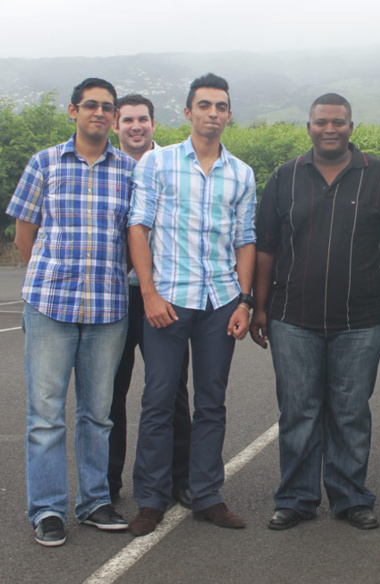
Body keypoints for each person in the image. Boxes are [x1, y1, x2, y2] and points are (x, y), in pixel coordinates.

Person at [251, 93, 380, 532]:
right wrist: (259, 306)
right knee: (298, 410)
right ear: (309, 127)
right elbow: (265, 247)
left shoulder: (379, 176)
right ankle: (296, 499)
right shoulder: (285, 177)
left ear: (351, 127)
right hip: (292, 317)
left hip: (362, 319)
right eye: (322, 122)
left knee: (350, 410)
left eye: (338, 122)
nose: (330, 128)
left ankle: (350, 498)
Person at [127, 73, 257, 536]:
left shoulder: (241, 173)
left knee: (212, 402)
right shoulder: (157, 165)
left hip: (220, 299)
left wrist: (245, 301)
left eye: (221, 106)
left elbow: (245, 241)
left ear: (227, 114)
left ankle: (206, 495)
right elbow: (139, 227)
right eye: (204, 106)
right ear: (188, 112)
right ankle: (151, 498)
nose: (213, 114)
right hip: (168, 300)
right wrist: (149, 293)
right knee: (158, 399)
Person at [7, 78, 134, 546]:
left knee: (98, 414)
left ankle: (95, 501)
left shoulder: (128, 171)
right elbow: (25, 231)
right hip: (50, 307)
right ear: (73, 111)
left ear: (115, 117)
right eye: (91, 106)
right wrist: (48, 275)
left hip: (108, 309)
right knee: (45, 415)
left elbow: (133, 237)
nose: (99, 113)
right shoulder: (44, 163)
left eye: (107, 107)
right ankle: (47, 509)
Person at [108, 94, 193, 508]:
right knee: (110, 393)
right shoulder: (107, 168)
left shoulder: (174, 163)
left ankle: (182, 480)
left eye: (143, 119)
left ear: (155, 124)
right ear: (115, 125)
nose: (136, 126)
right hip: (116, 296)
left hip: (167, 294)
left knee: (172, 392)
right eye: (127, 120)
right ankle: (106, 485)